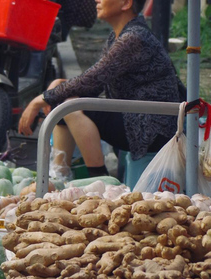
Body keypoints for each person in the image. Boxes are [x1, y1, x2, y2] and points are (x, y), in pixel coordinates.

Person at [18, 0, 182, 177]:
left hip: (153, 127)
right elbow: (93, 85)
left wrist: (40, 100)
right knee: (65, 98)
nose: (97, 0)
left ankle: (99, 179)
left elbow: (91, 81)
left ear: (126, 3)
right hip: (135, 116)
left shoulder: (133, 39)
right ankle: (59, 175)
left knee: (71, 108)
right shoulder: (118, 36)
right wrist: (57, 88)